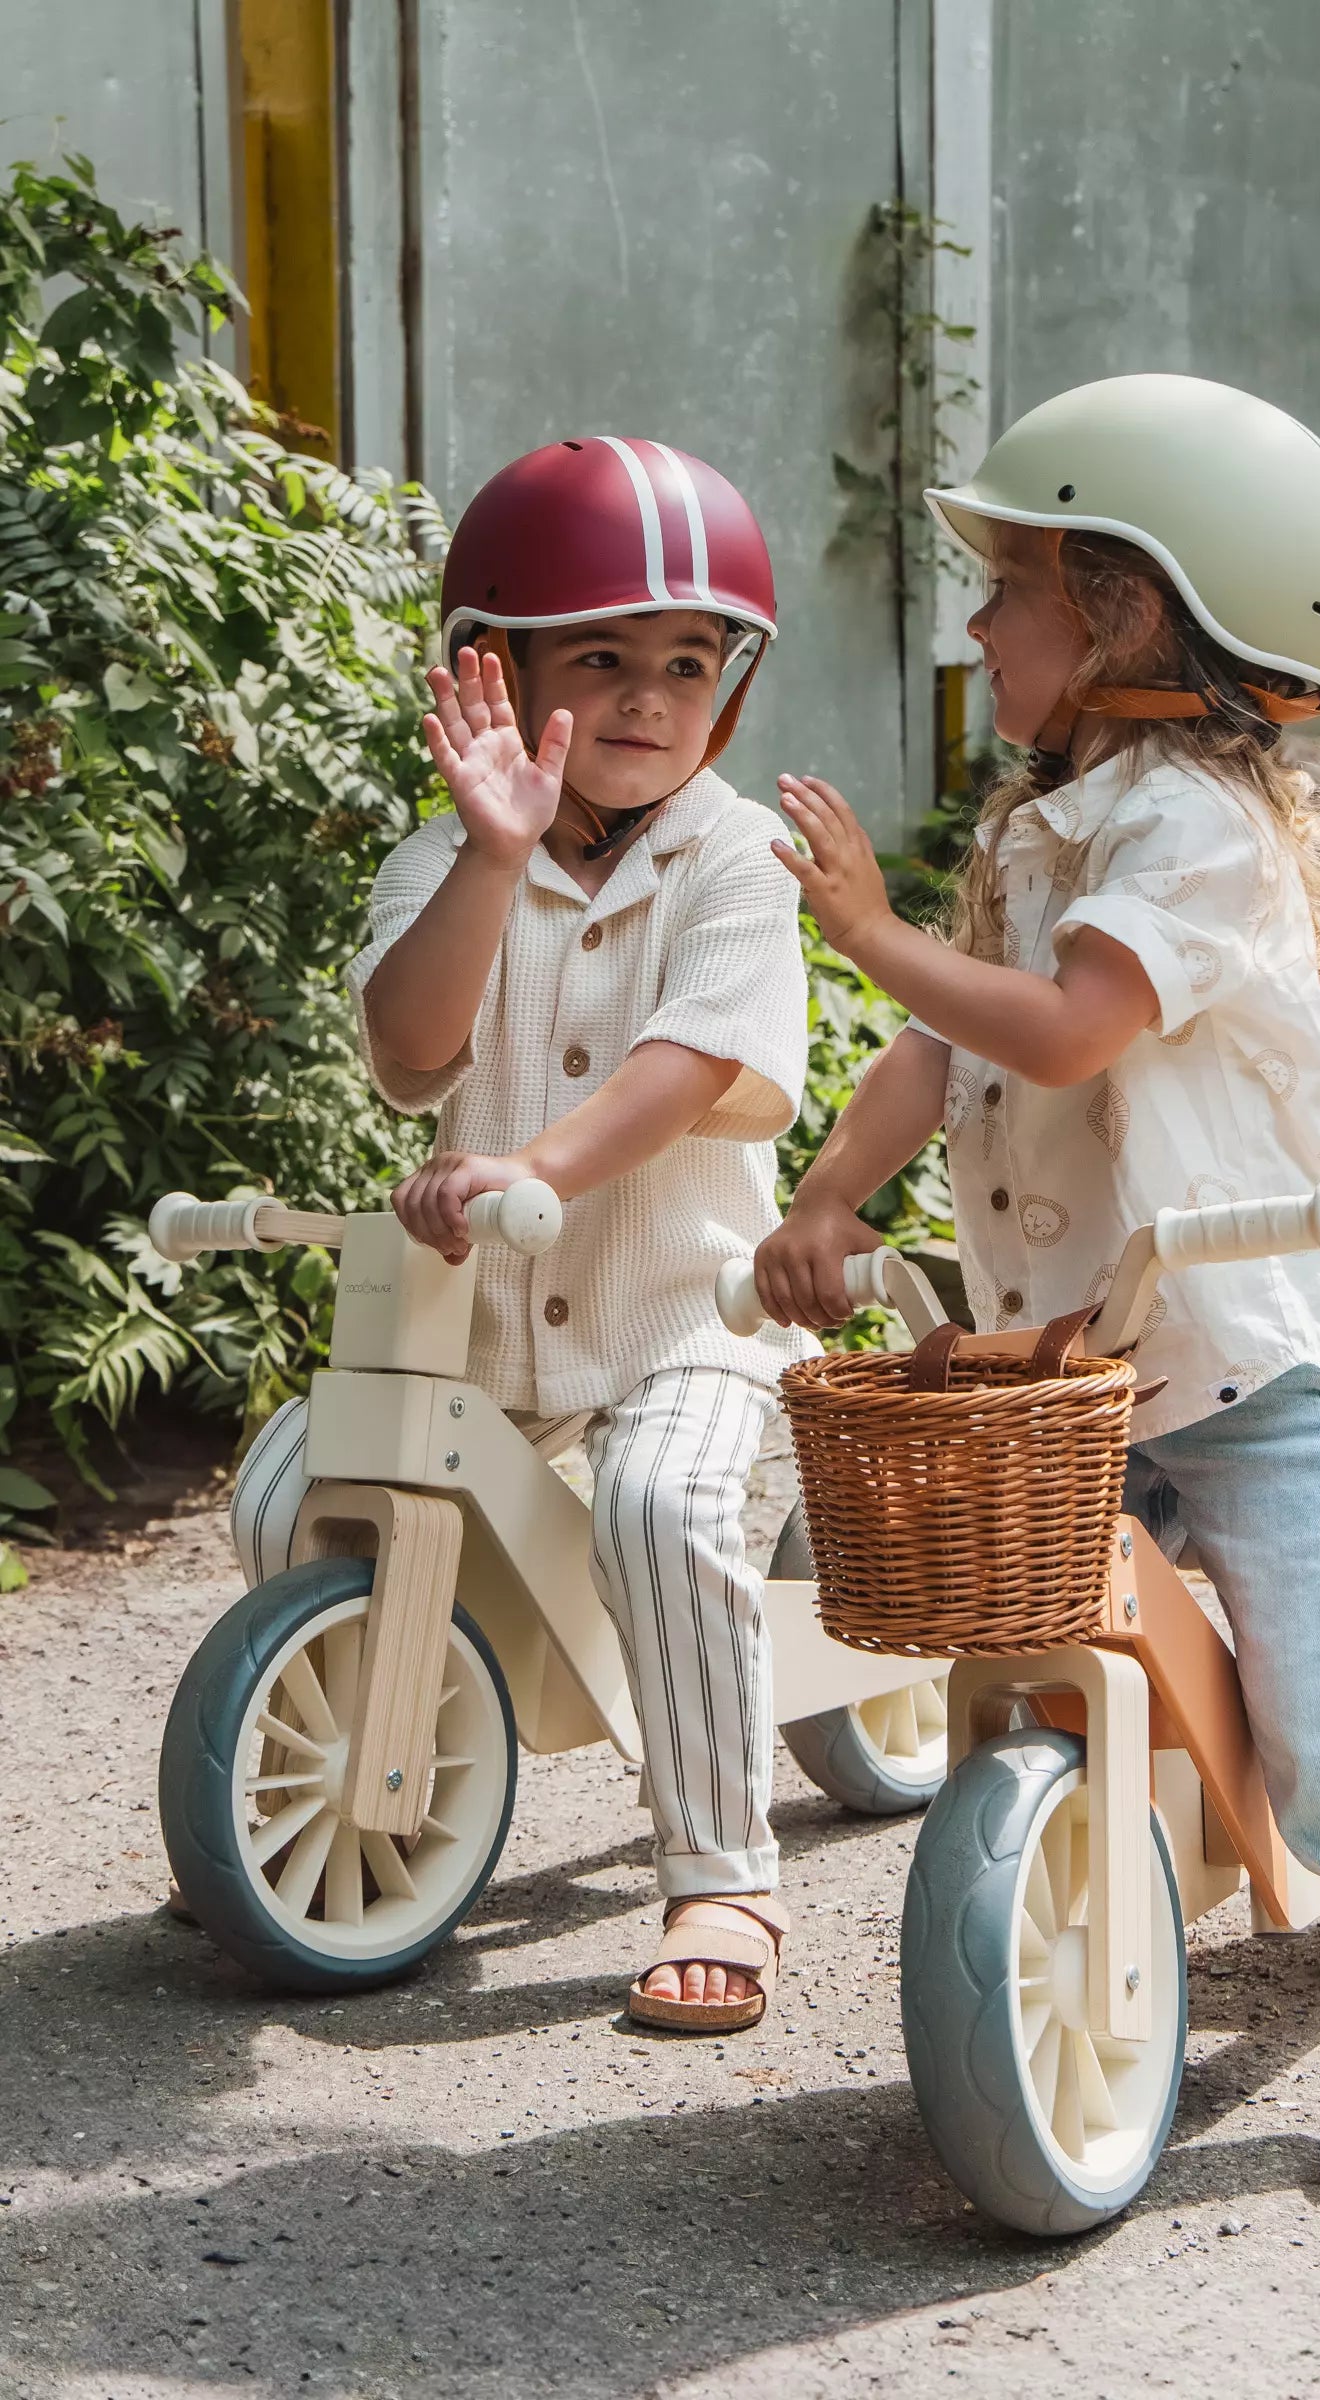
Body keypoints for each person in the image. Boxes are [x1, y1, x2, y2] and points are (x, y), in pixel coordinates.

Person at [754, 374, 1320, 2186]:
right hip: (1073, 1354)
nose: (978, 620)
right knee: (1043, 1642)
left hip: (1245, 1353)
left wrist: (868, 932)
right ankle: (1113, 1876)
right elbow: (944, 1052)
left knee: (1315, 1699)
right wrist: (834, 1198)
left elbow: (1074, 1033)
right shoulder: (1041, 827)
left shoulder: (1194, 830)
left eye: (1011, 586)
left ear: (1130, 615)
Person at [349, 436, 816, 2031]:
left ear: (729, 693)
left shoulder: (734, 858)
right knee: (309, 1486)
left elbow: (694, 1067)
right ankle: (371, 1764)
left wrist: (528, 1163)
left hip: (681, 1317)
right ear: (499, 669)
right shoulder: (446, 853)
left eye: (687, 663)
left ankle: (718, 1872)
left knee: (660, 1505)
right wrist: (492, 851)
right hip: (480, 1334)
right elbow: (413, 1052)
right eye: (599, 657)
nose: (647, 696)